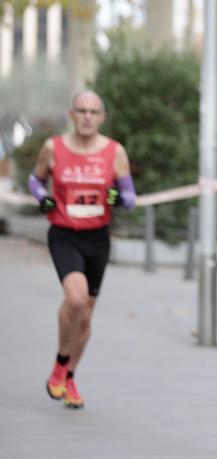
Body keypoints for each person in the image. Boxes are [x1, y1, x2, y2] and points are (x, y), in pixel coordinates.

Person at [30, 91, 137, 409]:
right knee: (75, 299)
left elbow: (131, 197)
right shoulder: (54, 147)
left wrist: (120, 197)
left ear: (102, 117)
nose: (88, 116)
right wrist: (42, 198)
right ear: (72, 114)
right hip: (64, 235)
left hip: (97, 239)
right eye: (82, 111)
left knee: (86, 317)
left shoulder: (114, 152)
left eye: (94, 111)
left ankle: (70, 377)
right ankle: (61, 362)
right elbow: (35, 181)